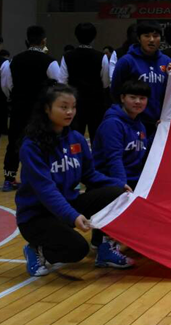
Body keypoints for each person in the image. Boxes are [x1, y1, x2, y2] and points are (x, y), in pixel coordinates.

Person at [16, 83, 134, 276]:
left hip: (67, 205)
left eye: (73, 107)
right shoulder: (32, 146)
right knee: (77, 249)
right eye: (63, 107)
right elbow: (46, 190)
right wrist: (73, 216)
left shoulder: (76, 139)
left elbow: (90, 175)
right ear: (47, 108)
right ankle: (37, 249)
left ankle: (105, 250)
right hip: (37, 216)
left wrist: (118, 184)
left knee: (116, 194)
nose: (70, 112)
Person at [1, 26, 63, 192]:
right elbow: (59, 85)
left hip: (19, 108)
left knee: (14, 143)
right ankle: (42, 178)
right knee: (43, 142)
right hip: (41, 110)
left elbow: (7, 86)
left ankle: (9, 179)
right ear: (44, 41)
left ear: (26, 41)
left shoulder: (12, 61)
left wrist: (16, 97)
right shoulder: (50, 62)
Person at [110, 21, 170, 138]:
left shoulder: (167, 61)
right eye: (146, 36)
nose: (151, 40)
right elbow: (115, 91)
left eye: (155, 36)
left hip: (159, 123)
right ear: (139, 38)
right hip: (133, 121)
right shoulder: (126, 61)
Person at [93, 80, 149, 190]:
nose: (138, 101)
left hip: (135, 180)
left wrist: (159, 129)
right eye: (133, 97)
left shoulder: (140, 125)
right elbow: (114, 159)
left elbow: (143, 152)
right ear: (122, 98)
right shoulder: (112, 124)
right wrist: (122, 187)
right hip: (112, 183)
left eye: (142, 98)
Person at [58, 23, 110, 138]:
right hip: (96, 103)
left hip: (75, 103)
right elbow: (106, 83)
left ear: (76, 36)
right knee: (96, 137)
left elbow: (62, 82)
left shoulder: (67, 56)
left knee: (75, 136)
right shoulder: (101, 57)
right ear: (94, 37)